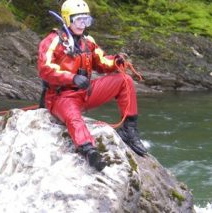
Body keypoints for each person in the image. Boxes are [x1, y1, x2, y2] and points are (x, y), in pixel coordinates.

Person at [37, 0, 147, 171]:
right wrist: (71, 78)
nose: (82, 25)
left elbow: (102, 62)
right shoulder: (53, 41)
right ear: (67, 19)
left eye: (86, 20)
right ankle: (89, 150)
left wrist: (115, 61)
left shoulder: (87, 42)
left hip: (85, 92)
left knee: (125, 80)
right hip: (61, 97)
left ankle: (130, 131)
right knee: (74, 118)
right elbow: (45, 69)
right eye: (78, 20)